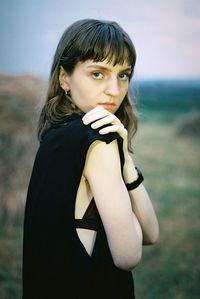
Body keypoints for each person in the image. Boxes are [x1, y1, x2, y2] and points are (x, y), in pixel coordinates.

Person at [22, 18, 159, 299]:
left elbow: (152, 235)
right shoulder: (98, 142)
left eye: (123, 74)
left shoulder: (54, 135)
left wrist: (128, 166)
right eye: (98, 73)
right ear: (64, 77)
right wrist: (116, 152)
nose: (114, 90)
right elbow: (129, 255)